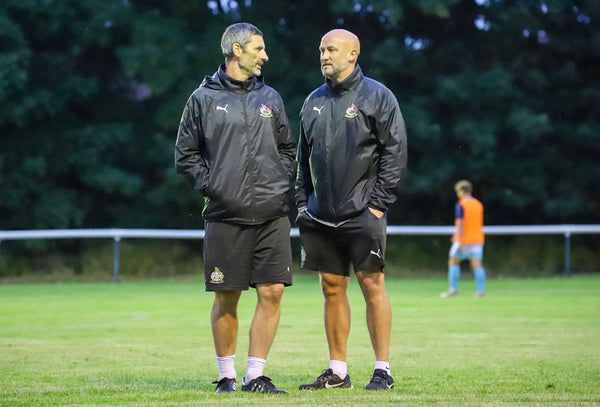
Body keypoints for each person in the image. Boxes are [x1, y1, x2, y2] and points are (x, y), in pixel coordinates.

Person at [175, 22, 295, 394]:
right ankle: (227, 376)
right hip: (226, 215)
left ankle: (255, 375)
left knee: (273, 291)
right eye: (258, 49)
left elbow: (289, 149)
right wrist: (216, 188)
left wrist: (279, 184)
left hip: (272, 214)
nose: (265, 56)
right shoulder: (202, 99)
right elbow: (185, 155)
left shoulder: (271, 98)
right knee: (227, 297)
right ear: (236, 51)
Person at [295, 29, 407, 391]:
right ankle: (338, 372)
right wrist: (301, 204)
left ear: (353, 54)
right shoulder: (312, 100)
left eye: (331, 50)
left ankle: (383, 370)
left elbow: (395, 153)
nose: (324, 55)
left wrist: (377, 205)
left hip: (363, 212)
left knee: (372, 284)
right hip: (319, 215)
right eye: (321, 49)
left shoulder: (378, 95)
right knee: (331, 288)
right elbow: (301, 159)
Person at [441, 180, 486, 298]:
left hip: (464, 239)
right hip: (477, 239)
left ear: (462, 191)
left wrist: (459, 240)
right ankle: (480, 291)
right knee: (477, 265)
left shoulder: (461, 205)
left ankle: (453, 289)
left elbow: (461, 223)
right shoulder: (478, 204)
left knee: (453, 262)